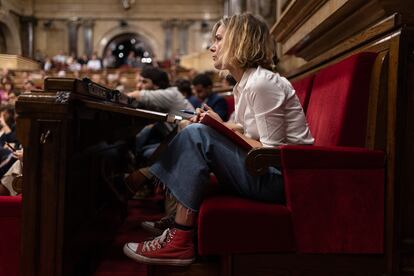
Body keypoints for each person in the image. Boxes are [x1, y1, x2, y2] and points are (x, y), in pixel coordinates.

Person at [123, 13, 314, 266]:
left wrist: (214, 131)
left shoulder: (261, 84)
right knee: (196, 129)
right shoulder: (245, 83)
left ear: (240, 41)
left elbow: (274, 152)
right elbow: (245, 129)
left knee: (195, 134)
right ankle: (179, 224)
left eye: (219, 39)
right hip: (263, 169)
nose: (212, 47)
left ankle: (180, 237)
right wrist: (217, 123)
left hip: (282, 180)